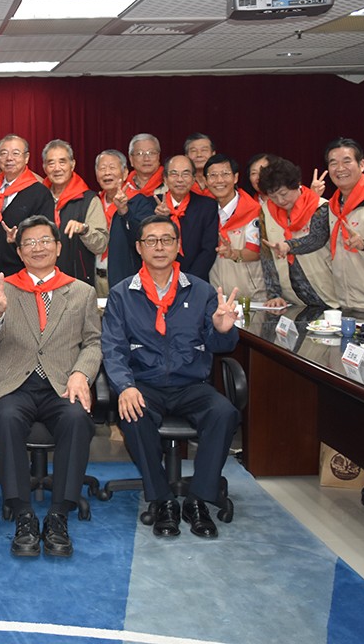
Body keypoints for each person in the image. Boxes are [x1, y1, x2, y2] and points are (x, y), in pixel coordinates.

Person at [102, 215, 241, 539]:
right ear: (139, 248)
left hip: (191, 384)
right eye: (151, 240)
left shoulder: (202, 290)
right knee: (133, 414)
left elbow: (220, 345)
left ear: (178, 246)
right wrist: (125, 387)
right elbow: (112, 349)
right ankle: (162, 499)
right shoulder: (122, 294)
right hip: (145, 384)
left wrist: (223, 330)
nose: (159, 247)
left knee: (224, 413)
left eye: (167, 239)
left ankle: (198, 500)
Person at [0, 215, 101, 557]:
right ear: (19, 251)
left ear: (58, 247)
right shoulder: (3, 289)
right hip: (14, 383)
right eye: (29, 243)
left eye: (45, 241)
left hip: (63, 382)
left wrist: (81, 373)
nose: (38, 248)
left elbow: (93, 342)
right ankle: (23, 514)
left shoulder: (82, 292)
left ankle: (59, 514)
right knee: (6, 419)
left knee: (77, 419)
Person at [276, 138, 364, 319]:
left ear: (362, 165)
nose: (340, 168)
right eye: (333, 163)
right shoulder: (333, 207)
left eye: (346, 161)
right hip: (346, 305)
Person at [258, 158, 336, 308]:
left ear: (296, 184)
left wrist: (288, 246)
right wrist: (274, 294)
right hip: (290, 299)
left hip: (325, 292)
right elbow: (266, 254)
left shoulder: (320, 206)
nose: (280, 200)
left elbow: (316, 240)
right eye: (273, 196)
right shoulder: (266, 211)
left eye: (284, 193)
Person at [0, 134, 55, 277]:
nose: (9, 158)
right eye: (3, 153)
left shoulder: (40, 193)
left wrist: (21, 237)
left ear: (26, 158)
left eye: (16, 153)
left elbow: (46, 234)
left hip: (23, 274)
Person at [41, 139, 107, 284]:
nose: (57, 168)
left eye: (62, 162)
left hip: (78, 282)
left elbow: (101, 245)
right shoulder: (38, 197)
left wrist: (84, 230)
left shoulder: (89, 200)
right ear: (44, 167)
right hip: (42, 279)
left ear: (73, 164)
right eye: (51, 163)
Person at [204, 154, 267, 302]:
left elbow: (256, 252)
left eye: (225, 174)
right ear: (206, 181)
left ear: (235, 178)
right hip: (217, 297)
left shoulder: (252, 210)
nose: (219, 180)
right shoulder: (204, 212)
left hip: (252, 297)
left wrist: (233, 253)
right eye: (213, 175)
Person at [95, 148, 154, 296]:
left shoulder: (140, 202)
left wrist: (124, 211)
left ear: (125, 173)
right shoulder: (93, 202)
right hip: (95, 280)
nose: (107, 173)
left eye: (112, 167)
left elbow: (143, 239)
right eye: (102, 168)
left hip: (125, 280)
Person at [155, 154, 219, 282]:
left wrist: (189, 280)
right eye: (174, 174)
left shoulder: (207, 206)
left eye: (185, 174)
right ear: (165, 179)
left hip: (196, 280)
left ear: (194, 178)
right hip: (158, 279)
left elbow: (209, 249)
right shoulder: (151, 205)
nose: (180, 179)